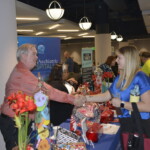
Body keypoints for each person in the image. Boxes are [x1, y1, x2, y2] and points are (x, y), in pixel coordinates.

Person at [0, 44, 85, 150]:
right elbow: (50, 91)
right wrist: (73, 99)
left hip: (19, 120)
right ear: (23, 55)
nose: (37, 57)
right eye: (34, 54)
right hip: (13, 122)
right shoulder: (22, 74)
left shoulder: (21, 71)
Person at [85, 46, 150, 119]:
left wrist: (122, 104)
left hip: (140, 125)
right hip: (125, 122)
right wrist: (85, 98)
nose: (116, 60)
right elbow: (106, 96)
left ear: (128, 59)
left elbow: (147, 106)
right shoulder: (120, 78)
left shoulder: (140, 77)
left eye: (119, 58)